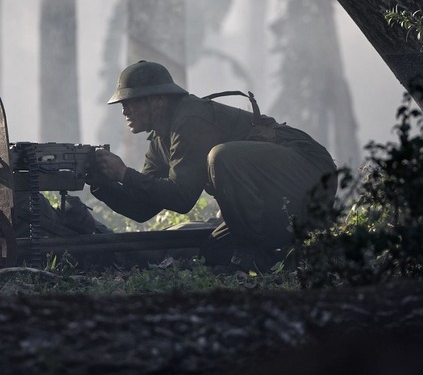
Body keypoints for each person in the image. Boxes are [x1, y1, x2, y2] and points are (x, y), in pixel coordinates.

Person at [87, 60, 337, 272]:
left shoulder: (191, 119)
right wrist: (102, 184)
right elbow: (142, 208)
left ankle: (253, 253)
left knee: (222, 156)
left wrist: (124, 173)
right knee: (214, 255)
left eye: (131, 102)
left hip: (310, 174)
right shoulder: (160, 141)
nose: (125, 112)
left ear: (158, 100)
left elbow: (182, 198)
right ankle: (283, 257)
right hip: (273, 198)